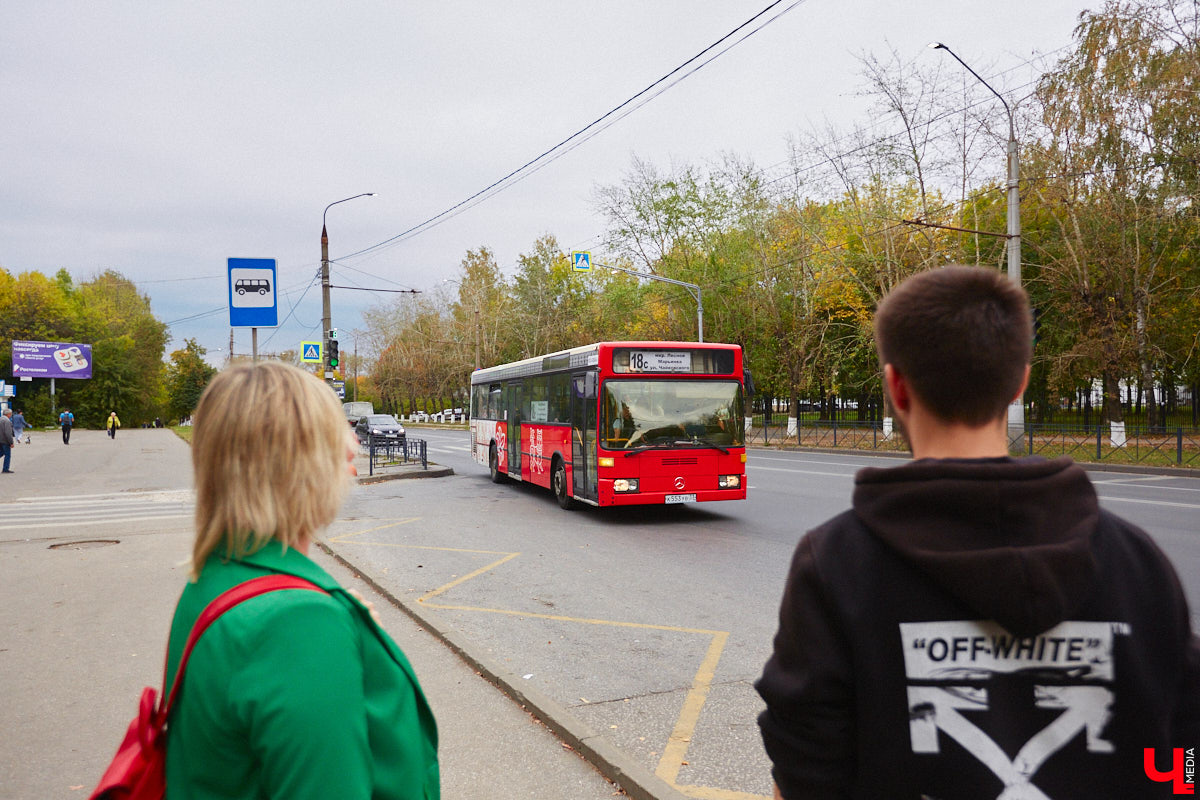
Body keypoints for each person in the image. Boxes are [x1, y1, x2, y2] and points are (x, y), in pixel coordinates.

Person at [755, 266, 1200, 799]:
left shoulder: (836, 565)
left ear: (897, 386)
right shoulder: (1139, 562)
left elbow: (805, 774)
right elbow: (1186, 752)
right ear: (1019, 383)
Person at [164, 361, 439, 799]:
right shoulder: (296, 621)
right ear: (293, 462)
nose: (352, 446)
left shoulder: (216, 577)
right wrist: (324, 624)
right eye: (334, 434)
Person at [0, 408, 13, 473]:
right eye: (10, 414)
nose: (11, 415)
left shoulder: (0, 419)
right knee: (7, 455)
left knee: (1, 452)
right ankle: (5, 469)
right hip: (5, 440)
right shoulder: (7, 421)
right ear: (8, 414)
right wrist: (11, 442)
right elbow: (8, 433)